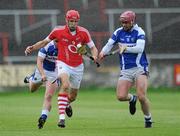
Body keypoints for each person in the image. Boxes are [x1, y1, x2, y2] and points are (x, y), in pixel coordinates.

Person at [25, 9, 98, 128]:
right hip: (62, 64)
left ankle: (67, 104)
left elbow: (93, 48)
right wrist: (32, 47)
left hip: (77, 66)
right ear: (66, 20)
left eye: (75, 21)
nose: (73, 23)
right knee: (63, 86)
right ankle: (61, 119)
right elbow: (43, 42)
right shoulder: (57, 32)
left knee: (73, 96)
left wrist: (94, 55)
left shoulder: (84, 33)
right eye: (71, 21)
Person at [99, 10, 153, 128]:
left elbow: (139, 48)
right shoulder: (118, 32)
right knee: (121, 96)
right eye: (122, 22)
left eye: (126, 22)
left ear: (132, 21)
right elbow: (109, 44)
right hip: (126, 69)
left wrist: (126, 48)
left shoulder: (139, 32)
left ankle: (148, 119)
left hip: (140, 67)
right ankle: (131, 98)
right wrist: (102, 53)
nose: (124, 24)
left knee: (142, 96)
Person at [24, 40, 59, 129]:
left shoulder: (65, 46)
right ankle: (30, 78)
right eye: (57, 41)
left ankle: (43, 117)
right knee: (32, 89)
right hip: (42, 71)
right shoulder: (47, 46)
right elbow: (39, 61)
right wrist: (43, 74)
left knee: (48, 96)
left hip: (54, 74)